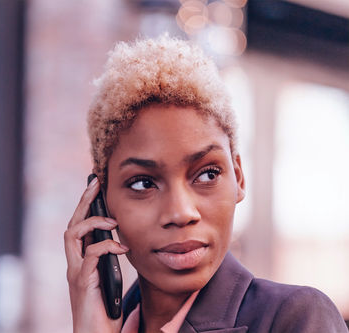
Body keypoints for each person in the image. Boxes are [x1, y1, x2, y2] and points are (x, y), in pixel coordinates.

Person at [63, 35, 348, 333]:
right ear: (101, 199)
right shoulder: (103, 324)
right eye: (143, 183)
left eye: (208, 174)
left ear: (238, 177)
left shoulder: (297, 317)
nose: (181, 212)